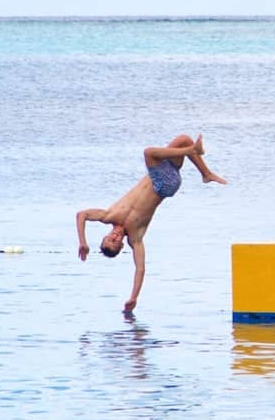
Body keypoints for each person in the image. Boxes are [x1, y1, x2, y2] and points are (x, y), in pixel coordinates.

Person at [74, 133, 227, 313]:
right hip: (164, 185)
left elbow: (81, 215)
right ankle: (193, 151)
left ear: (105, 236)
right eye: (115, 242)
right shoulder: (135, 235)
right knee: (148, 153)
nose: (114, 237)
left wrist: (83, 242)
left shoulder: (108, 215)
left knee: (183, 139)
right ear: (121, 245)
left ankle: (206, 174)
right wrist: (134, 297)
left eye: (109, 239)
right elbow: (140, 269)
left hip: (162, 173)